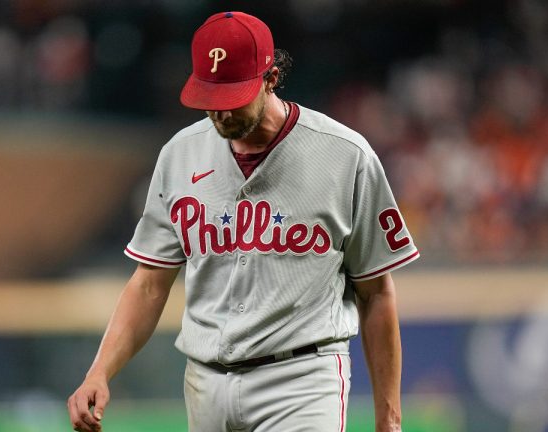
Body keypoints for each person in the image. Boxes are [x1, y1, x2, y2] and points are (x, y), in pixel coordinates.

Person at [67, 11, 419, 432]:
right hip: (205, 382)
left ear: (271, 77)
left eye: (233, 96)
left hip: (302, 381)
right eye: (210, 97)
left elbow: (376, 293)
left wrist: (390, 419)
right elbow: (148, 283)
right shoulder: (180, 155)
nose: (220, 113)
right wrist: (99, 371)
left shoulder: (346, 156)